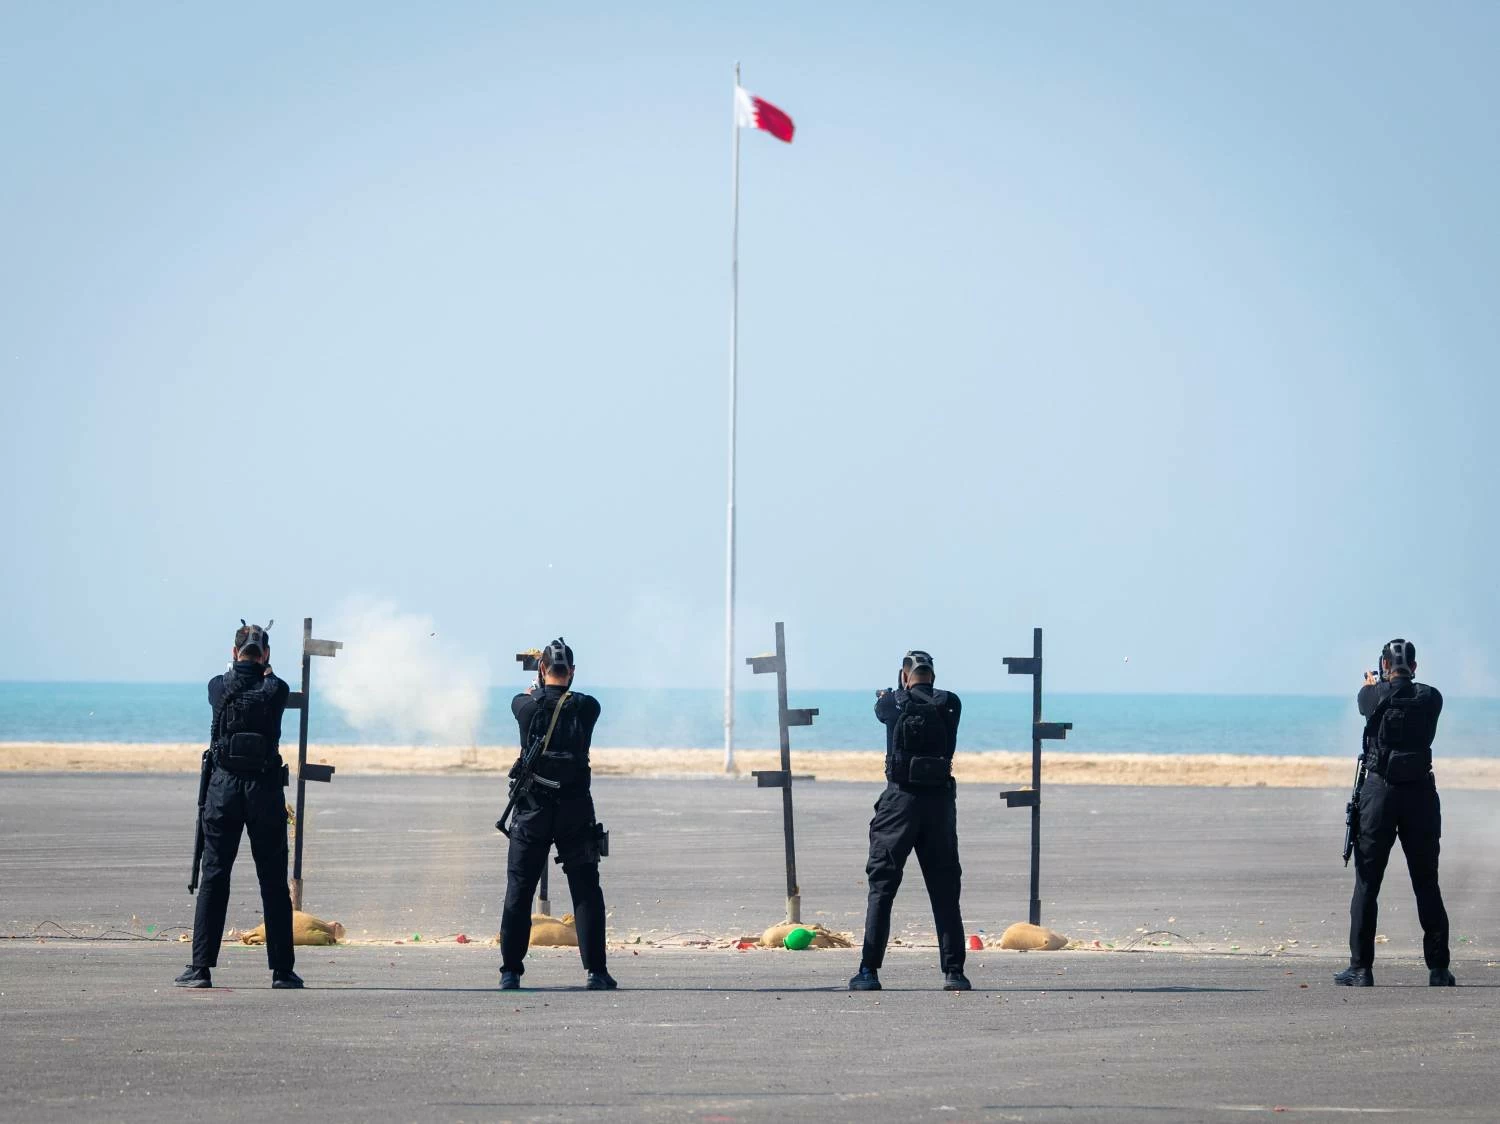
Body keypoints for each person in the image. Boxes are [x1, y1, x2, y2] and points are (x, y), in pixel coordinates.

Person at [176, 622, 301, 989]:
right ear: (265, 655)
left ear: (234, 653)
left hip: (223, 790)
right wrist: (267, 670)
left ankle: (201, 968)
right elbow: (271, 684)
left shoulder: (218, 686)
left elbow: (227, 682)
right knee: (273, 881)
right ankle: (282, 971)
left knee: (215, 876)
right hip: (264, 790)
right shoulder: (276, 689)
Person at [850, 649, 971, 992]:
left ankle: (869, 971)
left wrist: (891, 693)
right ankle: (954, 972)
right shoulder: (951, 703)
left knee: (882, 888)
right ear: (933, 675)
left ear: (905, 675)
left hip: (899, 803)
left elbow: (882, 711)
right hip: (939, 805)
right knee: (944, 890)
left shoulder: (892, 702)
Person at [1336, 638, 1453, 987]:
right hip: (1420, 794)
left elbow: (1369, 701)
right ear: (1414, 667)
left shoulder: (1371, 695)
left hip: (1380, 794)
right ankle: (1438, 969)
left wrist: (1374, 683)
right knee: (1426, 882)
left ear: (1385, 666)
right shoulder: (1431, 697)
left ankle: (1361, 969)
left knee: (1367, 883)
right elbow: (1409, 695)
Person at [498, 637, 615, 990]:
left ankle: (510, 972)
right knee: (585, 888)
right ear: (572, 672)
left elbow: (527, 700)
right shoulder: (588, 707)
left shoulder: (524, 705)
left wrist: (535, 689)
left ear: (542, 669)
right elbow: (574, 705)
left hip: (533, 810)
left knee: (520, 889)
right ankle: (596, 972)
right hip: (575, 809)